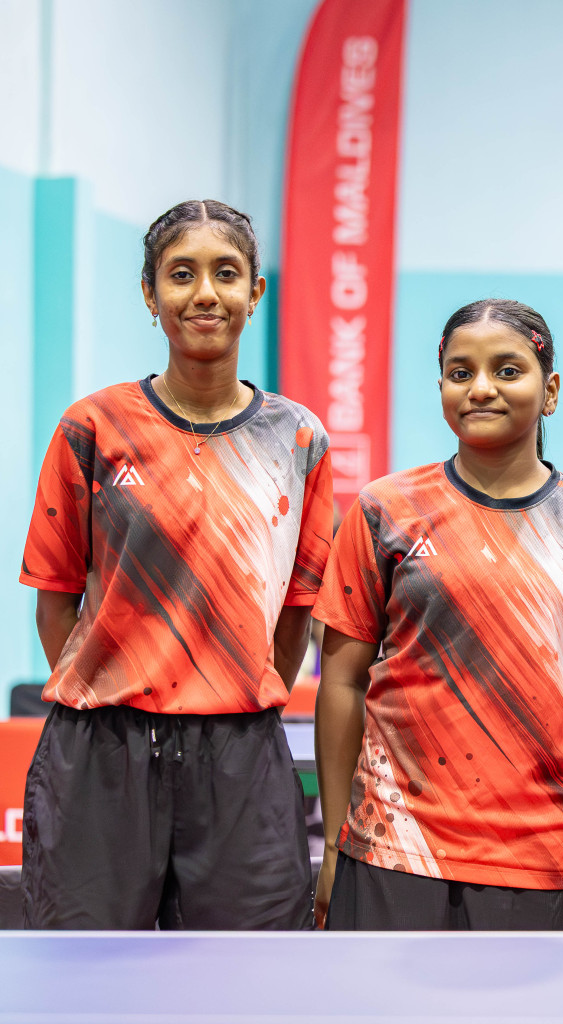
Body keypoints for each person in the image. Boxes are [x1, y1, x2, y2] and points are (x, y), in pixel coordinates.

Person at [19, 200, 331, 929]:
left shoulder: (298, 439)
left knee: (247, 987)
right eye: (181, 274)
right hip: (100, 752)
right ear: (150, 292)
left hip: (240, 756)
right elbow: (55, 601)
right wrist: (113, 692)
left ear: (256, 292)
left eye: (227, 274)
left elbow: (297, 615)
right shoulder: (93, 427)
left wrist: (231, 699)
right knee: (85, 980)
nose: (205, 294)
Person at [312, 299, 563, 931]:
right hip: (392, 849)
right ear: (440, 386)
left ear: (550, 391)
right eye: (460, 372)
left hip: (542, 857)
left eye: (507, 370)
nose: (481, 388)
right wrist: (332, 847)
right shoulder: (386, 509)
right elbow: (343, 680)